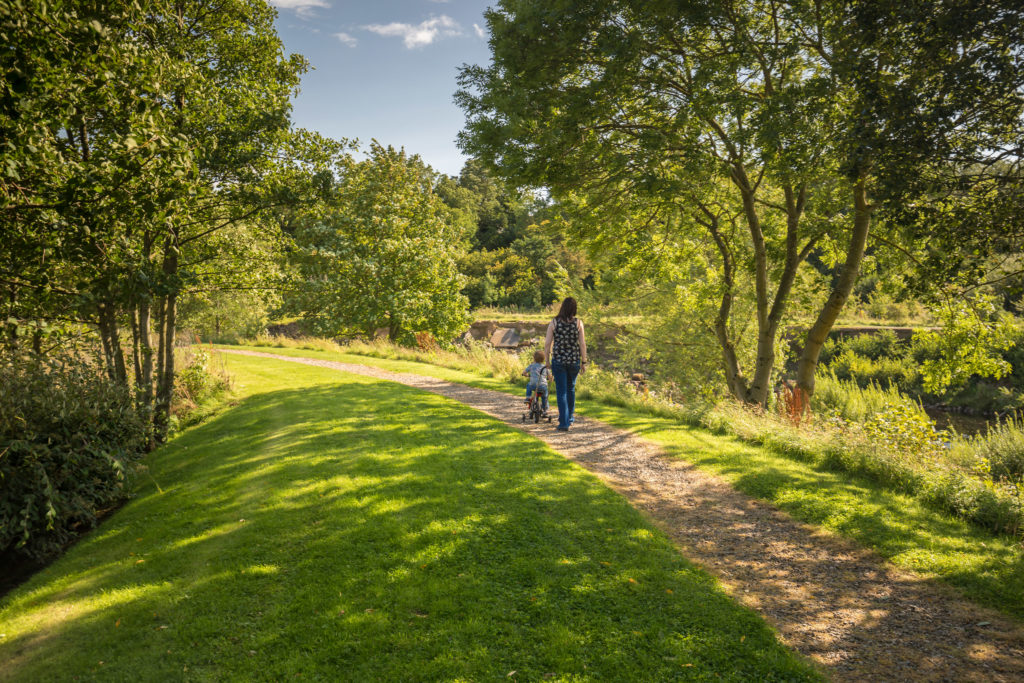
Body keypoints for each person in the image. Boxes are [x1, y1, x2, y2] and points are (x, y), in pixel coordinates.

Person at [545, 297, 587, 431]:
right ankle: (569, 418)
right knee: (570, 389)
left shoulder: (554, 322)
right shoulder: (578, 323)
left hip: (558, 360)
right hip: (574, 360)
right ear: (574, 309)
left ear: (562, 307)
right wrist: (584, 361)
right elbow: (582, 344)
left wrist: (546, 361)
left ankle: (563, 423)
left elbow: (547, 344)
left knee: (561, 391)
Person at [522, 350, 551, 414]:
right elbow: (550, 377)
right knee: (545, 397)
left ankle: (528, 397)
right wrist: (550, 379)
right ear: (543, 359)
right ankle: (545, 410)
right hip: (543, 385)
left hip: (533, 385)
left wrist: (526, 375)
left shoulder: (531, 366)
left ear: (534, 358)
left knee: (528, 385)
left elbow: (524, 372)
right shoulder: (545, 367)